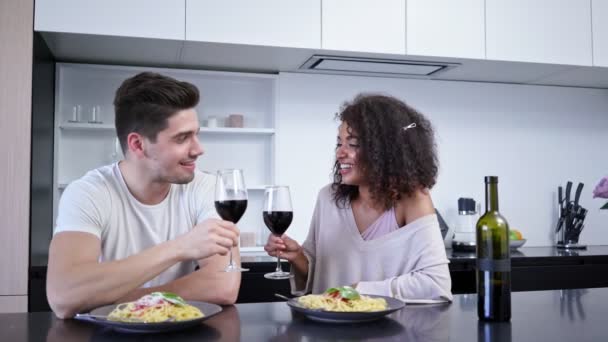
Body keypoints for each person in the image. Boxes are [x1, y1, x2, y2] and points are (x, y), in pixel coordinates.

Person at [47, 72, 242, 319]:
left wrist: (106, 300)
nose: (198, 149)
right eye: (182, 138)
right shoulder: (88, 193)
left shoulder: (207, 188)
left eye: (196, 134)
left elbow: (222, 285)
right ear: (138, 145)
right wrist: (181, 247)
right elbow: (64, 297)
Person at [265, 94, 453, 301]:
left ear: (386, 151)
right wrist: (298, 257)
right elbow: (316, 278)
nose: (340, 153)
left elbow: (436, 284)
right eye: (339, 143)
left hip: (389, 331)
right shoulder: (327, 198)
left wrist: (357, 290)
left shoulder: (413, 200)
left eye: (353, 144)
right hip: (328, 330)